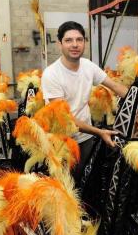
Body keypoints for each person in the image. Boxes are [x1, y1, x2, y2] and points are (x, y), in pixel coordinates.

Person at [41, 21, 128, 183]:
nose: (75, 44)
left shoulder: (88, 66)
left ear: (84, 42)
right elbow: (65, 119)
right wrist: (99, 132)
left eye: (79, 40)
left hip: (85, 136)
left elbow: (115, 86)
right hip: (61, 140)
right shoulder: (51, 74)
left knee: (83, 179)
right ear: (60, 44)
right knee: (64, 183)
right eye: (69, 40)